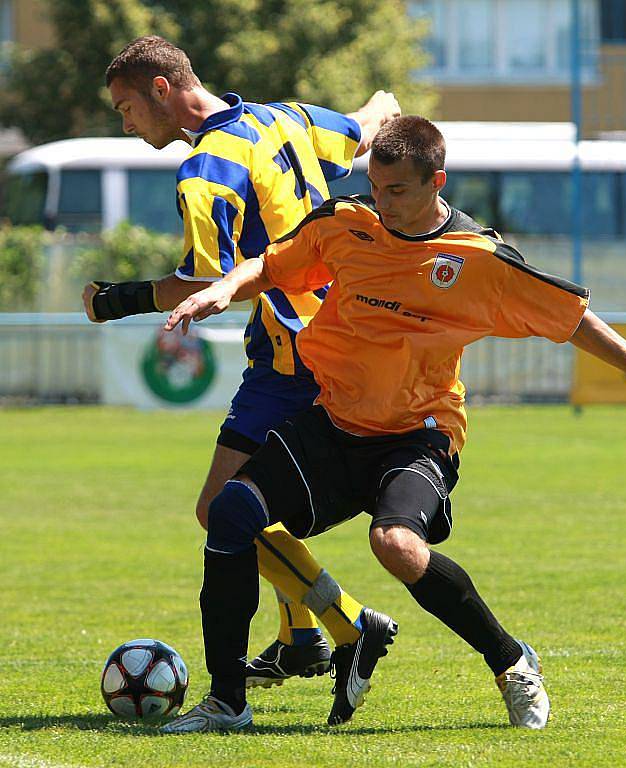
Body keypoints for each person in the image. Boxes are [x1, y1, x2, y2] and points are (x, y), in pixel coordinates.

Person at [161, 115, 626, 733]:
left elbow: (574, 320)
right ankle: (227, 702)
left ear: (437, 181)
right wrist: (224, 289)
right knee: (230, 511)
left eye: (396, 191)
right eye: (375, 187)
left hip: (418, 432)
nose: (382, 202)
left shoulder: (478, 259)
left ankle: (511, 661)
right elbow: (273, 266)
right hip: (335, 422)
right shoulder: (349, 224)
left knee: (395, 545)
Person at [82, 36, 402, 723]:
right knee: (258, 501)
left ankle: (350, 624)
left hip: (295, 354)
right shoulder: (281, 117)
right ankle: (301, 639)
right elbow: (364, 130)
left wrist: (116, 299)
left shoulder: (205, 169)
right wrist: (386, 105)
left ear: (163, 90)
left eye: (127, 108)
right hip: (333, 338)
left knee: (221, 508)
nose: (126, 124)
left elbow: (204, 282)